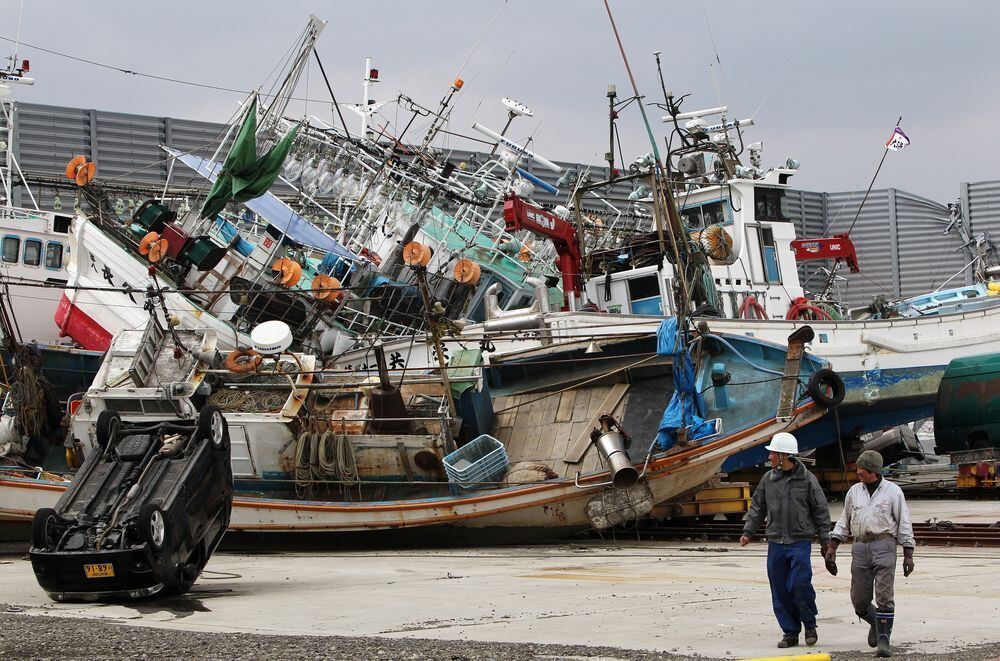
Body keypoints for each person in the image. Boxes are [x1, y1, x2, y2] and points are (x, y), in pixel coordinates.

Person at [740, 432, 832, 649]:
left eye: (773, 453)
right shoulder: (768, 480)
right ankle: (790, 632)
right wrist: (748, 531)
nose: (770, 456)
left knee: (799, 585)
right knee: (780, 589)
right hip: (775, 543)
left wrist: (825, 539)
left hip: (799, 543)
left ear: (783, 456)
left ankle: (809, 625)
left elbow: (820, 510)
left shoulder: (808, 480)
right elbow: (757, 508)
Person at [824, 450, 915, 658]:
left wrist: (908, 553)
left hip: (884, 545)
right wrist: (833, 547)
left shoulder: (893, 492)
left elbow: (904, 522)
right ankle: (875, 621)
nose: (858, 472)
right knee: (859, 600)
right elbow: (844, 521)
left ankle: (884, 640)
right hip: (860, 547)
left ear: (873, 470)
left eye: (861, 469)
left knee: (884, 595)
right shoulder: (854, 492)